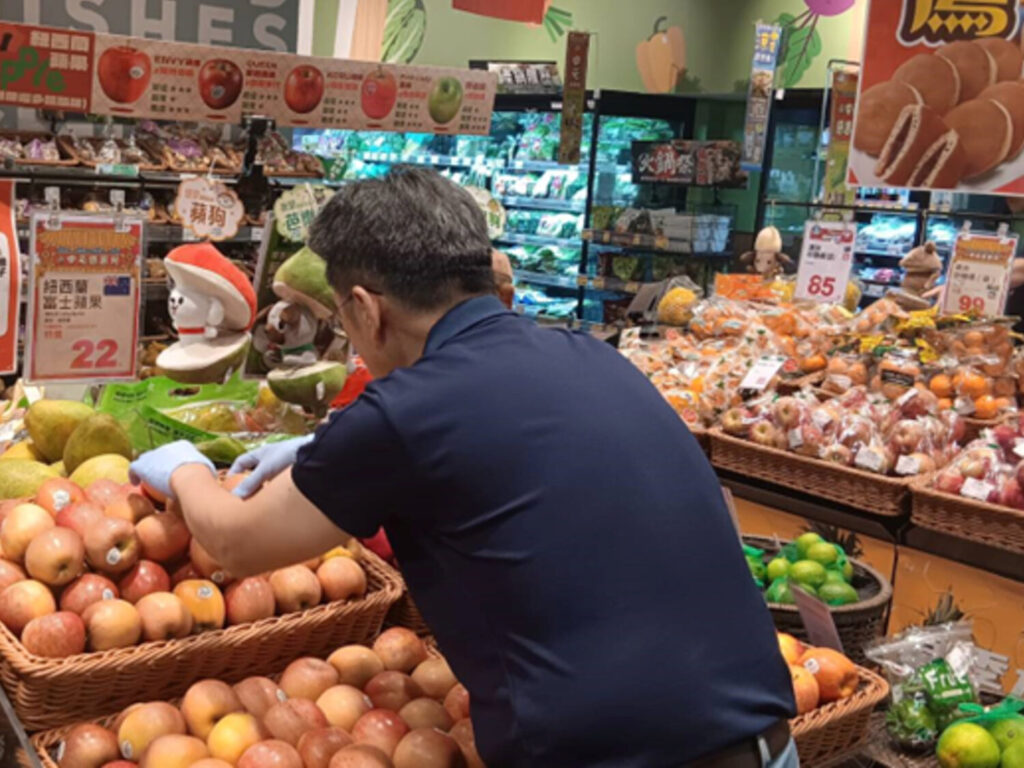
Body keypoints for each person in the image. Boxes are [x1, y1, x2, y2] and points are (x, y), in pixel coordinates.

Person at [130, 167, 796, 768]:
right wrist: (318, 454)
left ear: (366, 307)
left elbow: (235, 543)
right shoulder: (591, 356)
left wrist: (186, 468)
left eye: (342, 318)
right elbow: (499, 453)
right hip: (772, 746)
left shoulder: (403, 411)